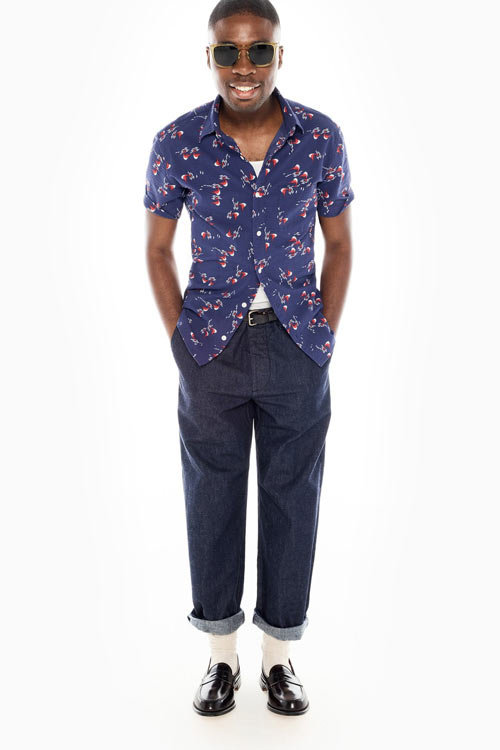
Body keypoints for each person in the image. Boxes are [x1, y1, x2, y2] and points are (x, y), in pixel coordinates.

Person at [143, 0, 354, 717]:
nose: (244, 67)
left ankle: (279, 659)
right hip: (211, 348)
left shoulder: (319, 137)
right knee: (212, 497)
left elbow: (340, 242)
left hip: (296, 343)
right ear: (209, 57)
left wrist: (322, 338)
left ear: (278, 56)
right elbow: (157, 249)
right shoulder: (179, 142)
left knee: (293, 498)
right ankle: (221, 658)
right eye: (228, 52)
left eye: (258, 51)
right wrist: (183, 344)